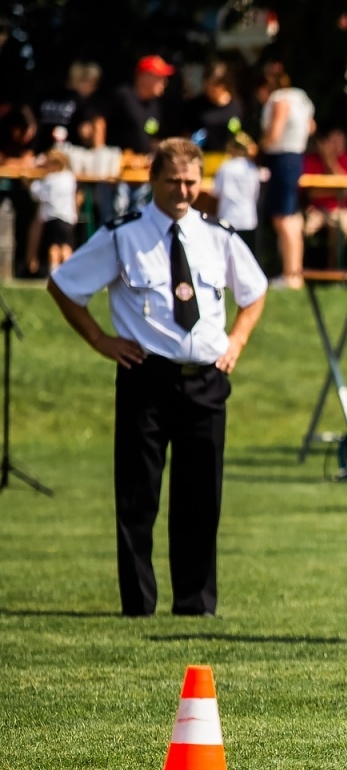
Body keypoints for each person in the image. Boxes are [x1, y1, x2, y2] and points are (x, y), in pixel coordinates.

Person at [46, 138, 268, 617]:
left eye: (191, 181)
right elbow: (63, 286)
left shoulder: (218, 235)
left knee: (201, 498)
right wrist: (101, 341)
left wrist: (238, 342)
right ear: (153, 181)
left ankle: (195, 602)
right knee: (137, 495)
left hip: (205, 380)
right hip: (146, 378)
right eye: (174, 181)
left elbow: (255, 291)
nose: (183, 191)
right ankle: (138, 603)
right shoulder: (123, 235)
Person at [255, 67, 315, 288]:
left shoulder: (279, 98)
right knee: (291, 216)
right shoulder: (301, 98)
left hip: (281, 158)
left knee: (283, 217)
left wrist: (259, 148)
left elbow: (275, 131)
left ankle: (291, 274)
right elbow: (311, 127)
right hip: (296, 157)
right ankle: (294, 272)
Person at [302, 127, 347, 266]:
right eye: (333, 140)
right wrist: (336, 190)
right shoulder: (311, 160)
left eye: (340, 140)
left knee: (344, 225)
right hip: (315, 211)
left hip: (342, 210)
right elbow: (310, 192)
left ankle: (333, 272)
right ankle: (298, 271)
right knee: (299, 228)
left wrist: (330, 162)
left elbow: (346, 190)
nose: (337, 144)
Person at [104, 56, 170, 157]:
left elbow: (150, 134)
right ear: (143, 76)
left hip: (141, 163)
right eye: (159, 77)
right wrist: (99, 152)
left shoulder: (154, 105)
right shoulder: (123, 96)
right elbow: (100, 120)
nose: (164, 82)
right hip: (116, 161)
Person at [27, 148, 77, 276]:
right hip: (67, 218)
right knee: (66, 246)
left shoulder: (49, 180)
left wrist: (28, 182)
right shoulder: (70, 178)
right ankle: (68, 274)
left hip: (53, 217)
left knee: (54, 247)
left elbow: (37, 194)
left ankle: (53, 273)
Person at [34, 61, 102, 151]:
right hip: (41, 151)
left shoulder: (78, 100)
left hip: (68, 153)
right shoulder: (44, 95)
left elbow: (86, 127)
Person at [211, 133, 260, 249]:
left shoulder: (226, 167)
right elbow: (255, 194)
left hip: (228, 217)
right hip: (248, 219)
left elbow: (216, 192)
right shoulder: (252, 168)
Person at [190, 62, 244, 154]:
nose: (209, 90)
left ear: (224, 85)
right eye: (206, 86)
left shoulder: (236, 105)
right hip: (203, 156)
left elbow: (239, 133)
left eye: (213, 87)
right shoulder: (196, 104)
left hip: (228, 158)